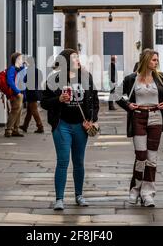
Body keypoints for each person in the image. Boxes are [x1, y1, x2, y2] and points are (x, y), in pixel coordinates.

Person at [115, 49, 163, 207]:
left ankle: (148, 193)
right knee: (141, 156)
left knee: (152, 157)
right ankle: (135, 189)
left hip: (156, 117)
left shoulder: (160, 77)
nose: (156, 62)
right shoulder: (132, 79)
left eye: (157, 60)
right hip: (138, 117)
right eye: (154, 60)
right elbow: (115, 94)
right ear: (146, 60)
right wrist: (128, 104)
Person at [41, 49, 100, 211]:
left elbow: (95, 101)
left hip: (81, 126)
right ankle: (59, 199)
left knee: (79, 161)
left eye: (77, 57)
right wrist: (58, 99)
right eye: (74, 58)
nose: (77, 60)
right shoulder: (54, 79)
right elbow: (44, 102)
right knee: (63, 161)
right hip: (62, 125)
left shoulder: (87, 77)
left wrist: (92, 119)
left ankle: (79, 195)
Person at [5, 52, 26, 138]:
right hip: (15, 94)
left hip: (20, 93)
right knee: (14, 111)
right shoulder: (12, 69)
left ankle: (15, 129)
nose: (22, 60)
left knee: (19, 111)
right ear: (16, 59)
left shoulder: (19, 69)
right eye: (21, 58)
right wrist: (17, 91)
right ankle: (9, 130)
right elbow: (10, 81)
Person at [20, 65, 45, 134]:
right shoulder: (38, 71)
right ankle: (25, 126)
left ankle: (40, 127)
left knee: (34, 111)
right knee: (29, 111)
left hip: (31, 94)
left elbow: (24, 80)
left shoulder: (29, 71)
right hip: (36, 92)